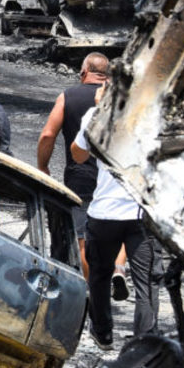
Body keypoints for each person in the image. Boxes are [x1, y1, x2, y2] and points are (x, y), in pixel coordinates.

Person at [71, 89, 160, 350]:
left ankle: (103, 334)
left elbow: (78, 155)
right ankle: (144, 341)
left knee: (99, 275)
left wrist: (99, 109)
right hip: (143, 213)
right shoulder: (153, 116)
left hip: (105, 211)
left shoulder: (96, 115)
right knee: (146, 282)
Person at [36, 52, 127, 293]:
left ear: (84, 72)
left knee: (83, 238)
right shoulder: (121, 99)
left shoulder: (68, 96)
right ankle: (118, 269)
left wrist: (43, 167)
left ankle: (91, 290)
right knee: (119, 226)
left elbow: (47, 135)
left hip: (80, 176)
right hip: (115, 178)